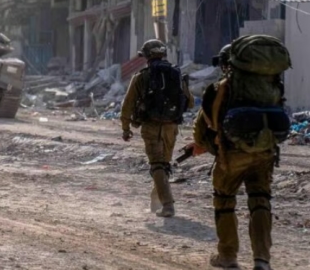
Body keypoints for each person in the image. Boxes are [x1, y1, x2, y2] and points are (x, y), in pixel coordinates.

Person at [193, 36, 291, 270]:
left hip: (232, 156)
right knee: (260, 200)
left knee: (225, 200)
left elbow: (202, 129)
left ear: (227, 64)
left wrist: (208, 145)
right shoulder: (271, 86)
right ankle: (262, 259)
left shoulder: (220, 88)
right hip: (265, 153)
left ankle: (227, 256)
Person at [120, 39, 193, 218]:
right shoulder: (176, 74)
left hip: (151, 126)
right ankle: (156, 201)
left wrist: (126, 128)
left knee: (157, 165)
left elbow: (127, 104)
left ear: (146, 56)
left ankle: (167, 206)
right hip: (171, 127)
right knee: (163, 165)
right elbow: (190, 102)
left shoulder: (141, 76)